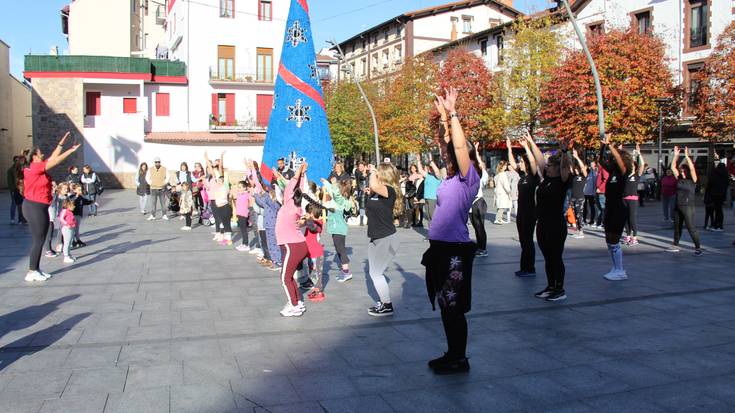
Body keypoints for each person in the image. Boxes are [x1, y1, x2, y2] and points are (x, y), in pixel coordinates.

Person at [421, 88, 481, 375]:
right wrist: (444, 117)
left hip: (456, 251)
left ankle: (461, 358)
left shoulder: (469, 178)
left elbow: (458, 147)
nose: (445, 153)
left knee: (454, 308)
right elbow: (448, 145)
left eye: (453, 151)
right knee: (446, 306)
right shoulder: (449, 178)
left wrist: (454, 113)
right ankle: (452, 353)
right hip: (441, 250)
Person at [22, 131, 80, 281]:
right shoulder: (34, 167)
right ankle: (32, 271)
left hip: (37, 206)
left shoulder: (36, 166)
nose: (43, 154)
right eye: (40, 152)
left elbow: (52, 158)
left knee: (41, 237)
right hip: (34, 206)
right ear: (34, 156)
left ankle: (36, 269)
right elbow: (55, 161)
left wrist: (61, 143)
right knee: (39, 239)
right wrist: (70, 150)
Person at [527, 135, 572, 300]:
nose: (547, 167)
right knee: (547, 257)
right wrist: (531, 143)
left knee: (555, 257)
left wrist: (565, 152)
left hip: (556, 224)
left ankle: (560, 289)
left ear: (556, 167)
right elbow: (539, 161)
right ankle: (550, 286)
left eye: (550, 165)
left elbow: (566, 168)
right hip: (542, 224)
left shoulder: (562, 180)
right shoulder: (545, 180)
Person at [365, 161, 402, 317]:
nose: (376, 174)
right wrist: (369, 195)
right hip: (375, 237)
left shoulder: (390, 190)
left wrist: (372, 171)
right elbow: (370, 209)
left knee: (376, 274)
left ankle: (387, 306)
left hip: (386, 238)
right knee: (374, 272)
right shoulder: (378, 192)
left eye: (379, 172)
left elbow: (374, 184)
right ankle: (384, 301)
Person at [275, 162, 309, 317]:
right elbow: (298, 186)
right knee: (289, 276)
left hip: (292, 246)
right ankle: (297, 302)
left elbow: (293, 183)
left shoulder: (289, 203)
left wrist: (300, 170)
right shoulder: (297, 206)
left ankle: (294, 306)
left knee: (284, 277)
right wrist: (302, 174)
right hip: (295, 245)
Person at [599, 138, 634, 281]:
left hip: (619, 207)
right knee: (608, 240)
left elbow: (619, 161)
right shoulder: (612, 171)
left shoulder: (623, 171)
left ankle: (620, 270)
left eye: (614, 157)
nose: (612, 158)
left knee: (614, 240)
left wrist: (611, 146)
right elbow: (601, 160)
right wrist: (602, 146)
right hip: (610, 206)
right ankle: (615, 267)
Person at [508, 134, 538, 277]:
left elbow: (533, 162)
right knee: (523, 240)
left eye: (521, 161)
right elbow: (512, 164)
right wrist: (509, 148)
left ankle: (530, 268)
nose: (519, 163)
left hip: (530, 212)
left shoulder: (533, 176)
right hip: (521, 212)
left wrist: (527, 146)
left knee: (527, 240)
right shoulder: (522, 176)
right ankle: (524, 267)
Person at [667, 146, 702, 256]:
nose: (682, 172)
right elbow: (673, 167)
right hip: (678, 206)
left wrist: (687, 157)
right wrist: (675, 156)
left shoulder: (693, 180)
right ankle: (675, 245)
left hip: (688, 207)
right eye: (681, 170)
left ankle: (698, 248)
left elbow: (692, 169)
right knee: (677, 227)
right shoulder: (679, 179)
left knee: (691, 228)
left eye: (683, 170)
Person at [322, 178, 354, 282]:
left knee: (341, 250)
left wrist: (334, 184)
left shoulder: (342, 202)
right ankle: (345, 270)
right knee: (339, 249)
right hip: (336, 229)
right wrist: (327, 183)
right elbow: (333, 192)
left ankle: (346, 272)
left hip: (339, 230)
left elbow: (335, 194)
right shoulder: (338, 201)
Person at [302, 204, 326, 302]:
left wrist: (308, 220)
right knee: (312, 271)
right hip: (310, 252)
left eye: (307, 212)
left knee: (317, 274)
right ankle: (313, 286)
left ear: (311, 214)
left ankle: (319, 292)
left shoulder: (318, 223)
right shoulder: (311, 221)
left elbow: (313, 228)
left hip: (316, 253)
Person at [622, 145, 645, 246]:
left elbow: (642, 165)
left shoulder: (636, 175)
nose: (630, 166)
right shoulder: (625, 175)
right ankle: (627, 235)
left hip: (633, 198)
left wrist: (639, 154)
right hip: (624, 198)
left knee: (632, 218)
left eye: (632, 165)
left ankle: (634, 237)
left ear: (635, 167)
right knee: (625, 218)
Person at [471, 142, 489, 256]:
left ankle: (483, 248)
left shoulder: (483, 176)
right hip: (472, 203)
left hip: (479, 202)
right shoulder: (471, 176)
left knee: (480, 226)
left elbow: (480, 165)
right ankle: (479, 246)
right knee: (476, 226)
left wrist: (476, 152)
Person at [45, 182, 70, 258]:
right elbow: (51, 201)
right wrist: (53, 192)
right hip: (49, 217)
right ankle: (48, 250)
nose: (66, 190)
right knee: (49, 234)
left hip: (53, 217)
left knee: (53, 233)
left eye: (67, 189)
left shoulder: (59, 196)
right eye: (65, 189)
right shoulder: (51, 195)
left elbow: (61, 200)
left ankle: (51, 248)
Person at [417, 156, 442, 231]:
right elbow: (420, 170)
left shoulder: (438, 176)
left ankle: (436, 233)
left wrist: (431, 161)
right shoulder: (428, 176)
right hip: (427, 198)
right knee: (429, 217)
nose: (430, 169)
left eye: (431, 168)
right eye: (429, 168)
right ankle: (431, 234)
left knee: (433, 216)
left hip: (433, 199)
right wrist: (418, 161)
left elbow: (436, 170)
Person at [706, 156, 728, 231]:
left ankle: (715, 225)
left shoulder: (714, 173)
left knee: (715, 210)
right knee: (720, 210)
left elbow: (710, 183)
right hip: (722, 194)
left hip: (714, 194)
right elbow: (726, 184)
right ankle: (720, 225)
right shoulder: (725, 174)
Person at [569, 148, 588, 239]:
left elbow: (583, 168)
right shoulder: (573, 176)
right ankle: (578, 229)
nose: (576, 170)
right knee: (575, 214)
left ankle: (581, 231)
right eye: (575, 169)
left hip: (580, 198)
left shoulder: (583, 176)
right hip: (573, 198)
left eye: (577, 169)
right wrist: (571, 157)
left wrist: (577, 157)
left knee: (579, 214)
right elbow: (571, 167)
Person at [234, 180, 253, 251]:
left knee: (244, 230)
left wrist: (249, 211)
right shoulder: (239, 194)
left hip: (244, 214)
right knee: (241, 229)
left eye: (240, 187)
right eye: (238, 187)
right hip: (239, 214)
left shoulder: (247, 194)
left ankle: (246, 245)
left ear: (245, 188)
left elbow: (251, 202)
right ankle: (243, 243)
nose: (239, 189)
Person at [58, 199, 78, 264]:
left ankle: (69, 255)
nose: (74, 206)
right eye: (73, 205)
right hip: (66, 228)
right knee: (67, 242)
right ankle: (66, 256)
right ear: (68, 205)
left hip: (71, 228)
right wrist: (67, 224)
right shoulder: (65, 211)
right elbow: (61, 218)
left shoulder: (70, 211)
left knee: (69, 242)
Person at [594, 157, 609, 229]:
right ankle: (599, 222)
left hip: (602, 192)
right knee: (599, 208)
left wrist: (600, 188)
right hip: (598, 191)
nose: (596, 164)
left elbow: (606, 180)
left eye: (597, 162)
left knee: (603, 208)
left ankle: (603, 223)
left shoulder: (603, 169)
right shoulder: (599, 170)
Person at [7, 155, 22, 224]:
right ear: (14, 161)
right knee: (14, 203)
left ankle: (20, 219)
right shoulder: (10, 170)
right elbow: (9, 181)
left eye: (18, 160)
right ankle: (12, 219)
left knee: (20, 205)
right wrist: (12, 189)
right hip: (14, 189)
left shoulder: (21, 169)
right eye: (16, 160)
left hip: (20, 189)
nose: (17, 162)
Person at [583, 159, 598, 225]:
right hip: (585, 192)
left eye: (592, 164)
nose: (591, 165)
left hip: (592, 193)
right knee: (585, 206)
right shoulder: (589, 171)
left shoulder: (596, 171)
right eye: (590, 164)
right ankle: (584, 219)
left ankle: (592, 220)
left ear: (595, 164)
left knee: (592, 207)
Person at [354, 162, 369, 226]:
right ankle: (361, 220)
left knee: (369, 205)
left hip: (368, 190)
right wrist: (365, 170)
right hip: (361, 191)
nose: (360, 168)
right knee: (362, 206)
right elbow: (362, 177)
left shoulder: (367, 172)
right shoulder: (357, 172)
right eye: (359, 166)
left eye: (362, 166)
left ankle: (369, 220)